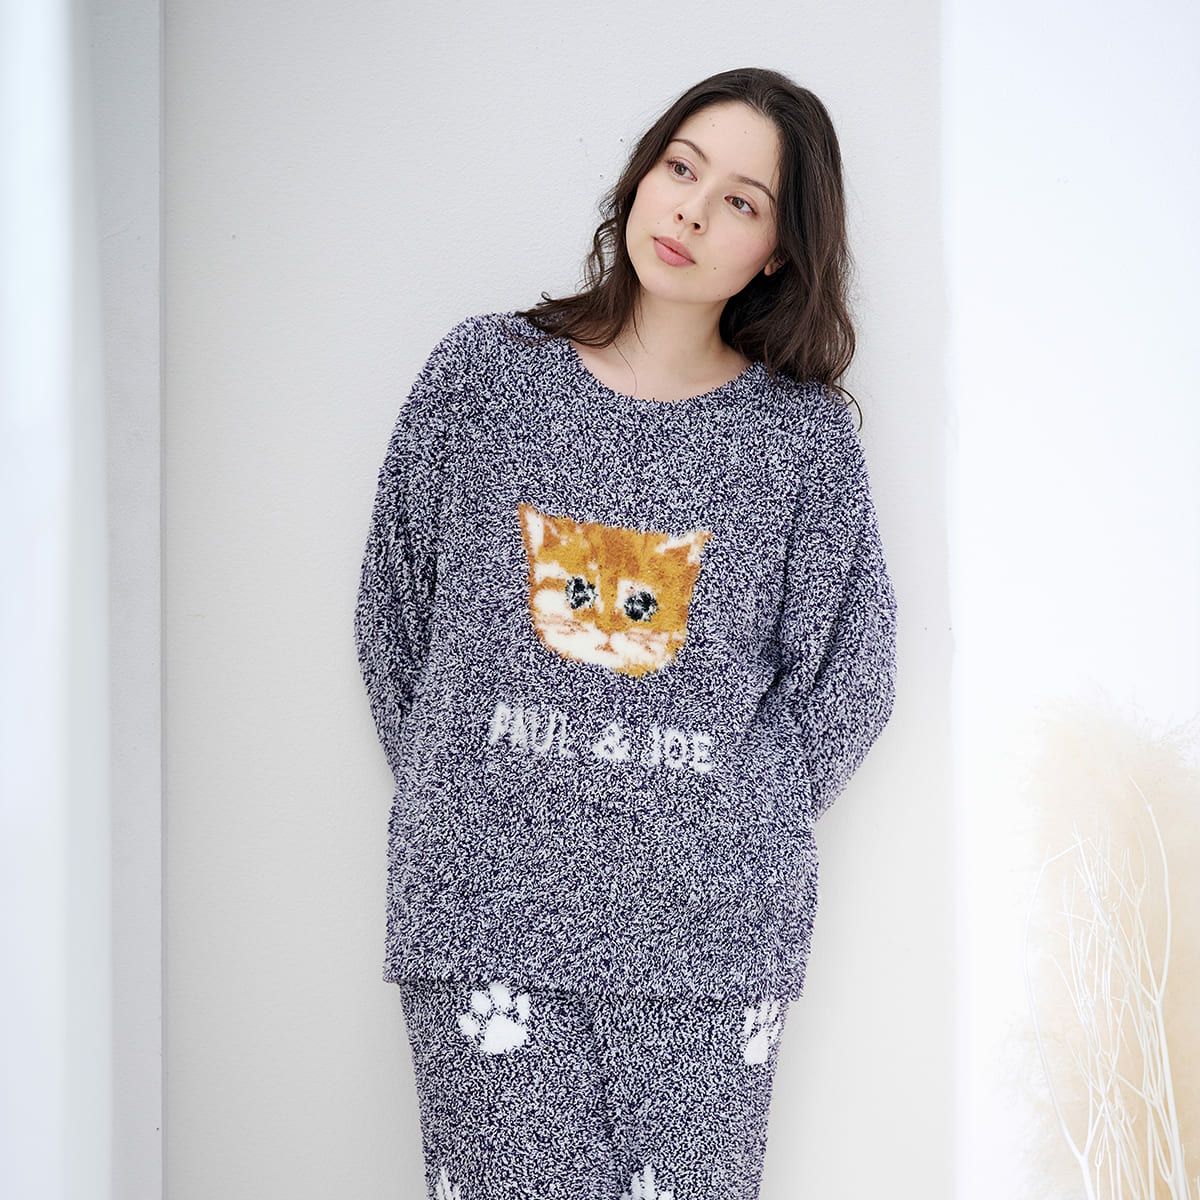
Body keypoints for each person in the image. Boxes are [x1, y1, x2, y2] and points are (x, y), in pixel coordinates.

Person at [353, 65, 898, 1200]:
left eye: (740, 201)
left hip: (705, 946)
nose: (691, 212)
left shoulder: (800, 444)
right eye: (680, 169)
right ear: (642, 175)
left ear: (779, 251)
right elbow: (396, 614)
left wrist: (725, 823)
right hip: (485, 914)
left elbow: (852, 674)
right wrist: (478, 797)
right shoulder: (484, 378)